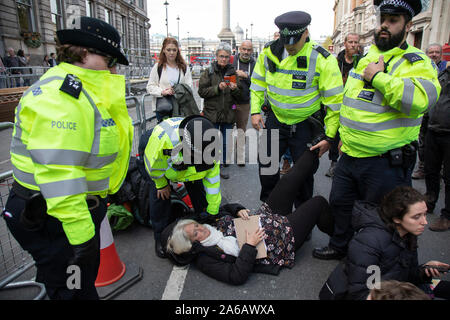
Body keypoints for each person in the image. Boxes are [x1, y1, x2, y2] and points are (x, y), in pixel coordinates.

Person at [3, 17, 132, 300]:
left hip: (68, 211)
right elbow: (59, 173)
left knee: (73, 284)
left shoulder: (85, 91)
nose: (113, 66)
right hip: (58, 216)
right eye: (109, 57)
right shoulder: (62, 97)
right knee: (71, 289)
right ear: (84, 53)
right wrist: (81, 236)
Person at [312, 0, 441, 260]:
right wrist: (343, 138)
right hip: (350, 153)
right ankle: (340, 247)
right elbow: (353, 102)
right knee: (341, 205)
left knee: (381, 217)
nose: (384, 25)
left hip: (385, 162)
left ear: (408, 25)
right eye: (383, 19)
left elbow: (421, 101)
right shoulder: (368, 56)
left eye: (393, 21)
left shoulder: (417, 62)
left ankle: (378, 265)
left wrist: (379, 78)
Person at [162, 150, 333, 285]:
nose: (202, 228)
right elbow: (236, 276)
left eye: (196, 225)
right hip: (278, 240)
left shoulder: (206, 224)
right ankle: (340, 241)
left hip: (264, 216)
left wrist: (238, 211)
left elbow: (225, 208)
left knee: (287, 181)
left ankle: (318, 145)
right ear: (193, 244)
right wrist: (249, 246)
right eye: (196, 233)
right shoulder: (205, 260)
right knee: (317, 204)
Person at [250, 11, 343, 206]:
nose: (290, 47)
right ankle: (271, 209)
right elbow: (257, 83)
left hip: (305, 126)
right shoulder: (269, 52)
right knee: (266, 167)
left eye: (295, 42)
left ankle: (302, 215)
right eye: (286, 42)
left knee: (303, 176)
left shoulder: (322, 59)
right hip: (275, 121)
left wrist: (329, 137)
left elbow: (334, 102)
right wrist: (255, 110)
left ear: (306, 33)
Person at [319, 186, 450, 300]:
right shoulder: (369, 243)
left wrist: (424, 271)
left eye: (425, 214)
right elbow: (362, 294)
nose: (424, 222)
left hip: (393, 288)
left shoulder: (408, 233)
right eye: (416, 217)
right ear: (397, 218)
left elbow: (408, 275)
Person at [143, 115, 222, 258]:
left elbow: (213, 183)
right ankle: (160, 236)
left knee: (198, 189)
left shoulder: (212, 145)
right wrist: (161, 184)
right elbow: (153, 168)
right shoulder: (164, 142)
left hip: (187, 167)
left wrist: (213, 211)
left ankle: (202, 217)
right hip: (157, 161)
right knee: (160, 197)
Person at [198, 42, 242, 179]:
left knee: (225, 141)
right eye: (221, 56)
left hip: (228, 113)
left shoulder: (233, 72)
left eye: (227, 57)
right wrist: (218, 88)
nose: (224, 59)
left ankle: (222, 163)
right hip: (212, 113)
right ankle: (211, 164)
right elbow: (201, 92)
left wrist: (235, 89)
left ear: (230, 58)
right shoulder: (209, 71)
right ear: (216, 56)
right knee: (211, 140)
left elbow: (239, 95)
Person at [325, 33, 362, 178]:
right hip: (337, 103)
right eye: (351, 42)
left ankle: (351, 163)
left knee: (352, 133)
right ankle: (334, 162)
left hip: (355, 105)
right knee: (334, 134)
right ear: (345, 43)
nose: (353, 45)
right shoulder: (335, 61)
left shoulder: (362, 62)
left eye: (356, 42)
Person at [412, 43, 449, 180]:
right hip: (426, 112)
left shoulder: (445, 69)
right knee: (423, 141)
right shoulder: (421, 68)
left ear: (441, 54)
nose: (434, 55)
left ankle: (442, 169)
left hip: (441, 115)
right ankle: (422, 167)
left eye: (437, 52)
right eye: (431, 52)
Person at [425, 64, 450, 231]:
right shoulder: (443, 74)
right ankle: (430, 200)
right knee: (430, 169)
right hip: (433, 129)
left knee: (449, 176)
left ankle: (447, 216)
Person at [146, 37, 193, 122]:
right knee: (165, 134)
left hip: (181, 108)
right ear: (164, 50)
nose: (171, 53)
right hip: (164, 108)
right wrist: (163, 92)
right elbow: (150, 86)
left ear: (177, 51)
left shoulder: (184, 67)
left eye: (174, 50)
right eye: (168, 50)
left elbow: (189, 87)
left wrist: (178, 90)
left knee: (180, 133)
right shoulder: (158, 67)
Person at [232, 40, 256, 166]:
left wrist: (246, 76)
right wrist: (235, 75)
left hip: (244, 102)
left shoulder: (255, 64)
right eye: (244, 49)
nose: (246, 52)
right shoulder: (232, 60)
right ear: (239, 49)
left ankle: (240, 156)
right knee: (228, 128)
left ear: (252, 51)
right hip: (231, 101)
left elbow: (258, 83)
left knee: (241, 130)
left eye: (249, 50)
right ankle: (226, 155)